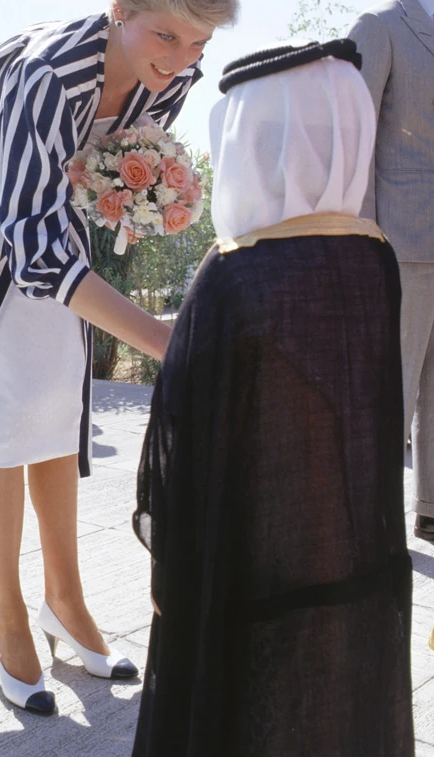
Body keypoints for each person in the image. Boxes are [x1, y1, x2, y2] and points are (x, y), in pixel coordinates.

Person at [0, 0, 255, 716]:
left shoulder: (173, 73)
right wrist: (165, 340)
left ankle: (65, 595)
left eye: (198, 43)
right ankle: (8, 609)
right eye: (165, 35)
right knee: (3, 403)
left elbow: (104, 168)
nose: (180, 59)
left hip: (47, 201)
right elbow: (32, 246)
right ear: (120, 9)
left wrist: (134, 197)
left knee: (58, 392)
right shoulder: (49, 72)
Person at [132, 39, 414, 756]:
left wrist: (170, 569)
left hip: (249, 575)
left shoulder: (234, 275)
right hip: (355, 568)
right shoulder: (376, 257)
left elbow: (180, 444)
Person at [348, 0, 434, 543]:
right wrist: (363, 242)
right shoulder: (380, 25)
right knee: (390, 393)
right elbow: (353, 140)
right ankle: (368, 527)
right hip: (398, 244)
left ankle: (430, 509)